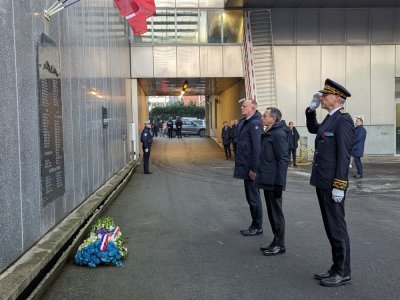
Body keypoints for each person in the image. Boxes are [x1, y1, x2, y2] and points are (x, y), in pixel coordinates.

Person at [305, 78, 354, 287]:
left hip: (332, 184)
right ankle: (336, 267)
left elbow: (344, 156)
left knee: (337, 228)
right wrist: (311, 109)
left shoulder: (343, 120)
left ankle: (343, 271)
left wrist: (339, 186)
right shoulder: (330, 118)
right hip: (323, 181)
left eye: (325, 95)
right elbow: (313, 128)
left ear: (336, 97)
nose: (322, 98)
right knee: (330, 227)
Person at [257, 107, 289, 256]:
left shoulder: (278, 134)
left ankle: (279, 244)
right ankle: (276, 241)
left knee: (276, 213)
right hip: (267, 179)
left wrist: (279, 184)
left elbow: (283, 160)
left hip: (274, 181)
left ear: (273, 118)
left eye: (265, 115)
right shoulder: (269, 132)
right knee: (271, 212)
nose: (263, 117)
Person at [234, 99, 264, 236]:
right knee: (250, 197)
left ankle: (257, 226)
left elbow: (257, 148)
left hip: (251, 168)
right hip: (246, 165)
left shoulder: (255, 123)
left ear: (252, 108)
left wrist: (254, 169)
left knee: (253, 197)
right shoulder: (246, 121)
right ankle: (255, 224)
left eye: (244, 106)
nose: (242, 107)